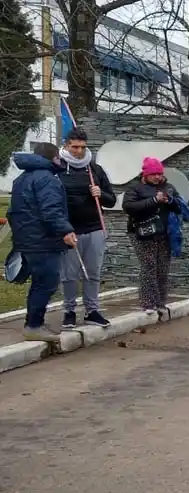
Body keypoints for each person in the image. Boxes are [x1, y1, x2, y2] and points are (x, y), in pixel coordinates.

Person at [7, 144, 77, 342]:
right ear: (54, 158)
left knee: (39, 282)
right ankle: (34, 325)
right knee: (46, 283)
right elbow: (51, 210)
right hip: (43, 240)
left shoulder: (22, 178)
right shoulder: (47, 179)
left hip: (27, 239)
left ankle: (33, 322)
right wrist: (66, 230)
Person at [57, 127, 117, 329]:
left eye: (83, 147)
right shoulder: (57, 168)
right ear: (66, 145)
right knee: (69, 274)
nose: (79, 151)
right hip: (69, 229)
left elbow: (111, 200)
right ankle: (69, 311)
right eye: (75, 147)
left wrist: (101, 194)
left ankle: (92, 311)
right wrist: (61, 228)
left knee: (93, 272)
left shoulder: (94, 170)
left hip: (94, 228)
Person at [122, 157, 181, 317]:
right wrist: (154, 200)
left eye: (159, 173)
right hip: (142, 233)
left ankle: (160, 302)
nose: (157, 177)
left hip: (164, 233)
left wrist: (170, 201)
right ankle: (148, 302)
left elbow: (179, 207)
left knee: (162, 268)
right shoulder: (135, 188)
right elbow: (128, 207)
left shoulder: (168, 187)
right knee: (149, 267)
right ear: (145, 174)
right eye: (153, 174)